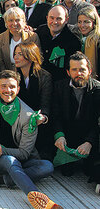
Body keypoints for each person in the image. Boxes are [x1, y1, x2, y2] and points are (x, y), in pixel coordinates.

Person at [0, 70, 59, 209]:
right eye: (4, 86)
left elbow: (24, 153)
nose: (7, 90)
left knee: (47, 167)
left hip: (21, 158)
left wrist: (2, 150)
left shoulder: (29, 116)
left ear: (18, 89)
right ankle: (36, 197)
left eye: (12, 86)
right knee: (10, 161)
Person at [52, 52, 100, 194]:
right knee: (65, 171)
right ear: (68, 72)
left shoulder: (97, 89)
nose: (78, 73)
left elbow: (98, 121)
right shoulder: (59, 87)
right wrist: (59, 135)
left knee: (89, 170)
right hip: (68, 135)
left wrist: (89, 142)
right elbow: (56, 115)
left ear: (89, 71)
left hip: (90, 137)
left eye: (82, 69)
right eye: (74, 70)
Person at [14, 42, 53, 157]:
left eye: (19, 54)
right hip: (18, 120)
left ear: (30, 56)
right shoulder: (14, 75)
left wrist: (44, 116)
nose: (15, 57)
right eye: (15, 54)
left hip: (36, 120)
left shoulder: (44, 76)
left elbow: (46, 103)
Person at [36, 5, 81, 81]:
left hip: (59, 83)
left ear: (66, 20)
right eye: (52, 18)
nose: (55, 22)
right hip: (39, 80)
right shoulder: (40, 31)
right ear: (47, 18)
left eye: (59, 18)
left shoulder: (73, 42)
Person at [71, 6, 100, 78]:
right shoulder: (76, 38)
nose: (82, 25)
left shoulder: (97, 40)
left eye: (86, 22)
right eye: (79, 22)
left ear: (94, 23)